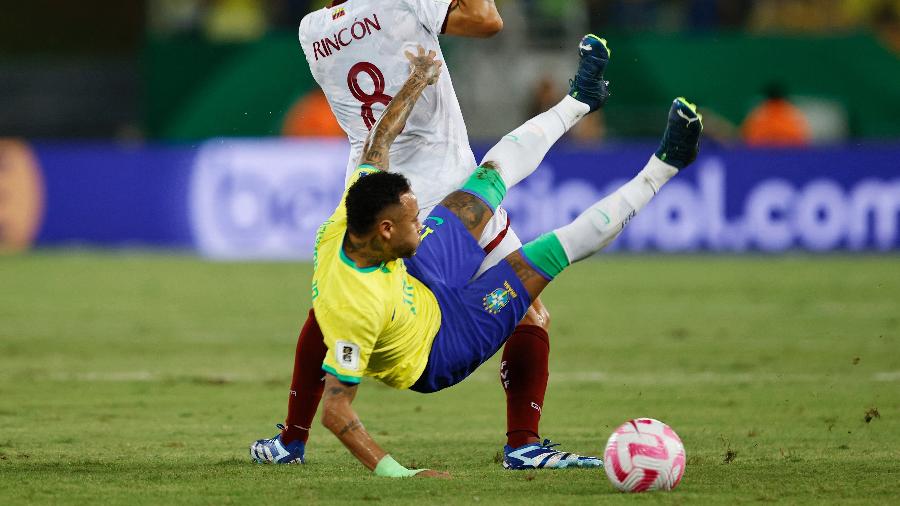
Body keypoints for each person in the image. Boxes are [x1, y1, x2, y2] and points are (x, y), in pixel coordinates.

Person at [252, 38, 703, 477]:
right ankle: (663, 168)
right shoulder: (356, 308)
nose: (421, 223)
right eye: (414, 221)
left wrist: (418, 79)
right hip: (441, 343)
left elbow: (379, 143)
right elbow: (336, 410)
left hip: (417, 274)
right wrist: (398, 473)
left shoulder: (353, 212)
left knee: (488, 176)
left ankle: (579, 100)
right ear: (386, 230)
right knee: (548, 253)